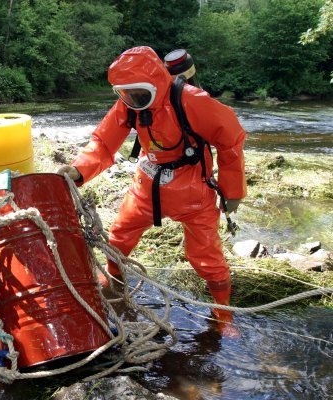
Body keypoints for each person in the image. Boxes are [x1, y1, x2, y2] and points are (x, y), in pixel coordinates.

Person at [57, 46, 246, 335]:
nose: (132, 101)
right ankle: (115, 284)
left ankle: (223, 314)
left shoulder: (192, 101)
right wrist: (78, 170)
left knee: (207, 257)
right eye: (125, 94)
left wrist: (233, 192)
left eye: (138, 94)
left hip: (194, 192)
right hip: (146, 187)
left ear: (157, 83)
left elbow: (231, 139)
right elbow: (104, 143)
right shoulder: (130, 104)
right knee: (119, 237)